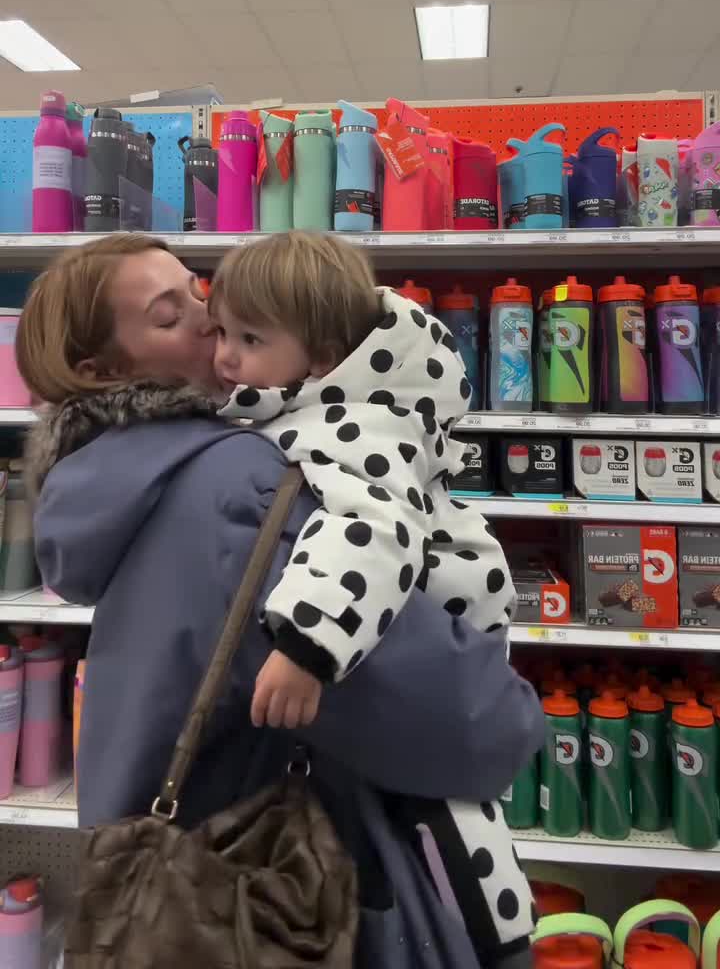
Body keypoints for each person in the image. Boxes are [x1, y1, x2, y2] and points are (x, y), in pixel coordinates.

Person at [18, 233, 544, 969]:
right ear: (101, 370)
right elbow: (469, 722)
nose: (208, 320)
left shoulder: (113, 482)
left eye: (198, 293)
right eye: (170, 317)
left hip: (171, 870)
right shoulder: (242, 484)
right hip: (278, 890)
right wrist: (521, 716)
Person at [211, 231, 534, 967]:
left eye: (250, 339)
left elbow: (372, 530)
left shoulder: (352, 424)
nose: (226, 356)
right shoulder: (326, 400)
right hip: (419, 624)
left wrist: (306, 646)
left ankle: (498, 939)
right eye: (220, 332)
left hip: (440, 608)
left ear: (323, 356)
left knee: (449, 814)